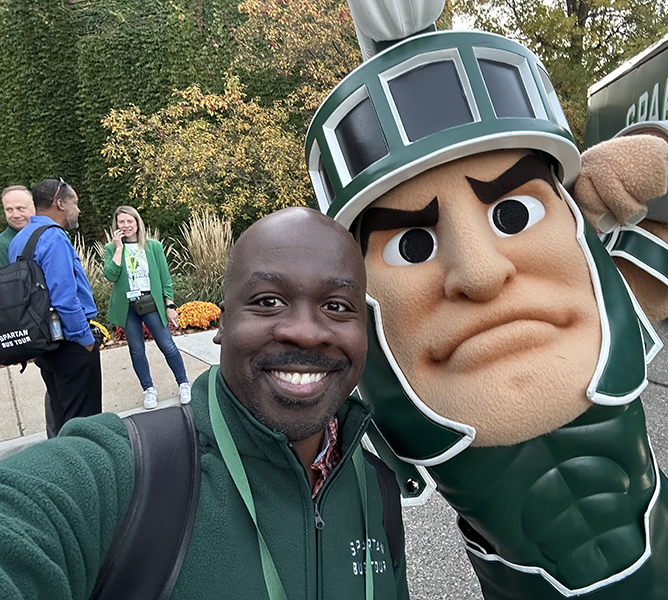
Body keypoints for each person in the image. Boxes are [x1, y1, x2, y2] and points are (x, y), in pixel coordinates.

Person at [304, 2, 668, 599]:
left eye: (514, 213)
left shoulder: (606, 304)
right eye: (412, 244)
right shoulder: (375, 403)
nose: (481, 273)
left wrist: (643, 160)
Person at [0, 206, 410, 600]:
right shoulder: (123, 477)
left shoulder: (378, 488)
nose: (305, 332)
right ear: (223, 322)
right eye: (268, 301)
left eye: (337, 306)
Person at [7, 177, 102, 437]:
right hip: (70, 344)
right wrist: (85, 340)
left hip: (44, 344)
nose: (78, 210)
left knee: (60, 418)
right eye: (75, 203)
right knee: (85, 426)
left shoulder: (20, 239)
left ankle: (62, 471)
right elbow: (65, 298)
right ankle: (86, 474)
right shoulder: (54, 237)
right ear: (60, 203)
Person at [103, 205, 190, 409]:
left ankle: (183, 383)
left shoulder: (153, 246)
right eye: (121, 222)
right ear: (116, 225)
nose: (125, 226)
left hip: (151, 302)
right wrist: (118, 248)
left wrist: (170, 305)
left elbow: (165, 279)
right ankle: (148, 389)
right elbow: (110, 275)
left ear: (137, 222)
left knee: (167, 345)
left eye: (129, 221)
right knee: (136, 350)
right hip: (127, 306)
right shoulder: (111, 248)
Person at [0, 185, 35, 267]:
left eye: (20, 209)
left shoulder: (48, 235)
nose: (15, 215)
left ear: (34, 207)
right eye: (9, 210)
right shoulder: (2, 245)